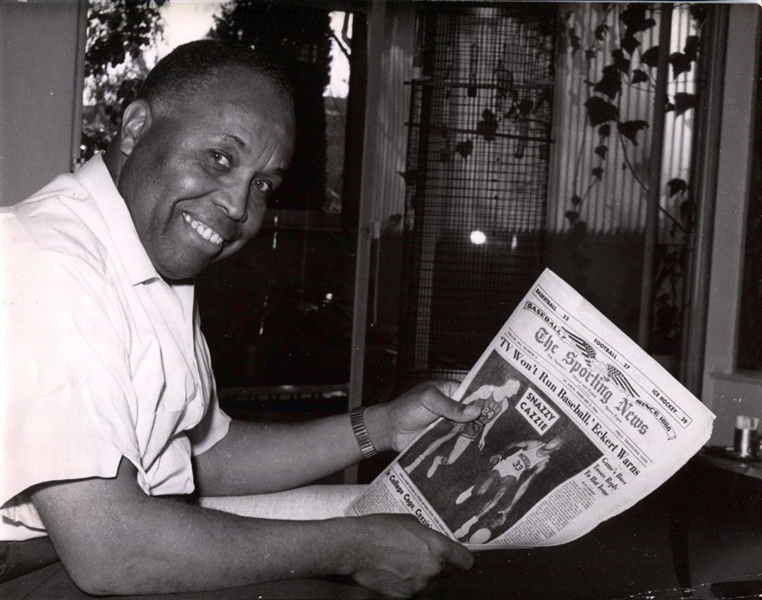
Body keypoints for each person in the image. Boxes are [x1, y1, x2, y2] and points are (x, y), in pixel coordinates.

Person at [0, 40, 481, 598]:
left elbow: (205, 456)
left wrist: (382, 427)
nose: (238, 207)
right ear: (134, 129)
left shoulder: (144, 259)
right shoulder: (41, 256)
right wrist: (355, 546)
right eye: (221, 158)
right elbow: (113, 551)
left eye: (263, 184)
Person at [452, 437, 563, 543]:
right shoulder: (534, 443)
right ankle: (472, 490)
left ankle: (467, 526)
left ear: (557, 448)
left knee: (499, 497)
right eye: (553, 439)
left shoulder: (544, 462)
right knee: (480, 491)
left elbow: (525, 484)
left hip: (513, 475)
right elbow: (514, 443)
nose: (551, 442)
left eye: (555, 442)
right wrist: (501, 452)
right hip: (503, 466)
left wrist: (511, 506)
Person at [404, 379, 520, 478]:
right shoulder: (488, 389)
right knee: (449, 435)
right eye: (515, 389)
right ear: (509, 385)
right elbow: (469, 398)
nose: (516, 392)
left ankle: (438, 460)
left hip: (476, 427)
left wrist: (483, 438)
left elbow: (491, 421)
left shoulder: (504, 404)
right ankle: (414, 464)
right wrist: (457, 414)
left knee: (451, 461)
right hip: (467, 416)